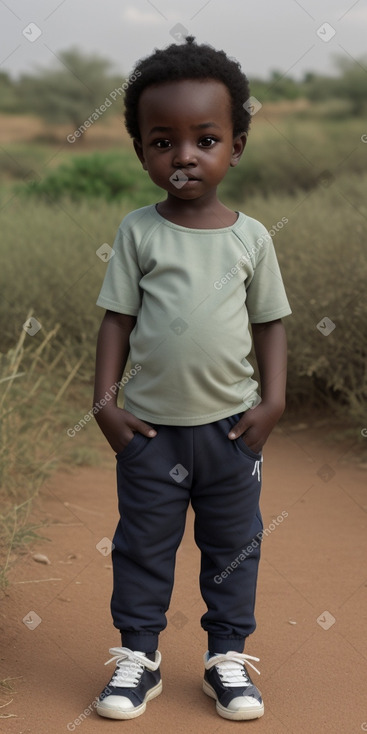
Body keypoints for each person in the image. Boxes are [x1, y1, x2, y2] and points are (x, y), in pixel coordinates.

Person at [93, 36, 291, 722]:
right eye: (161, 141)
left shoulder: (251, 238)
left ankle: (225, 658)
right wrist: (105, 405)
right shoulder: (137, 232)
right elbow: (116, 321)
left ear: (234, 145)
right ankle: (138, 659)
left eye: (204, 138)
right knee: (141, 545)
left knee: (232, 547)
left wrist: (272, 402)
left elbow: (269, 324)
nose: (183, 156)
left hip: (231, 431)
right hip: (148, 432)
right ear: (141, 150)